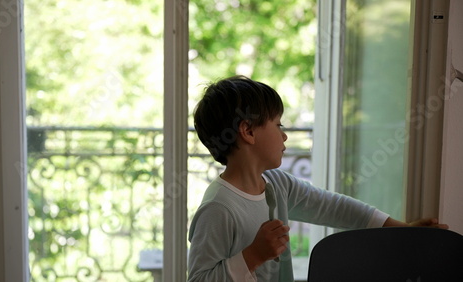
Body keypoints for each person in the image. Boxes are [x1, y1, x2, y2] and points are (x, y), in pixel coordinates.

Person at [187, 75, 447, 282]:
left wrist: (403, 230)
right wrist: (253, 255)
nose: (284, 135)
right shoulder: (218, 208)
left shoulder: (277, 183)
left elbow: (333, 206)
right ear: (248, 131)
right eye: (278, 125)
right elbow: (199, 279)